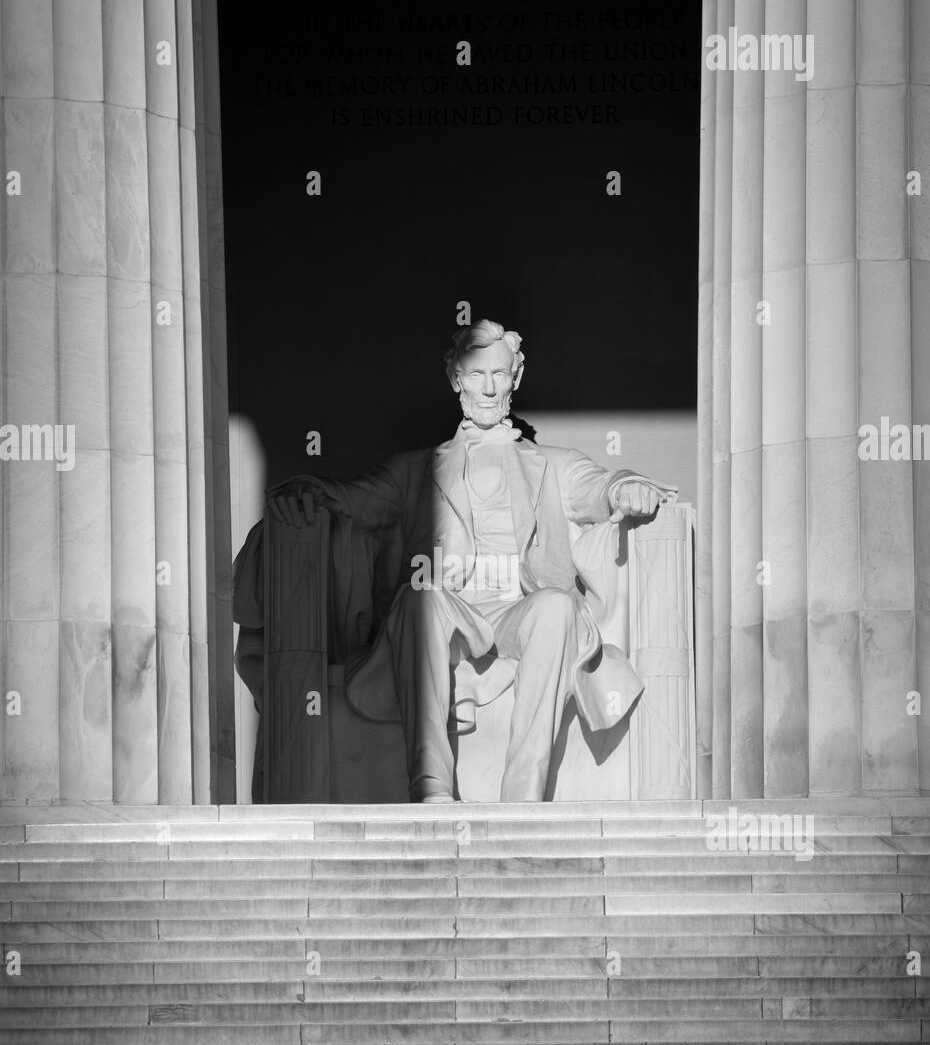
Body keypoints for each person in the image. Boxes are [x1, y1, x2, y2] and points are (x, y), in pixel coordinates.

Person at [267, 319, 677, 802]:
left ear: (516, 377)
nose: (488, 387)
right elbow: (354, 502)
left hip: (518, 611)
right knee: (421, 599)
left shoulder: (554, 463)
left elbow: (599, 486)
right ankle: (431, 789)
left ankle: (522, 796)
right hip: (450, 610)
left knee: (556, 607)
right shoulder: (414, 469)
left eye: (499, 374)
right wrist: (310, 490)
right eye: (476, 374)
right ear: (456, 379)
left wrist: (624, 485)